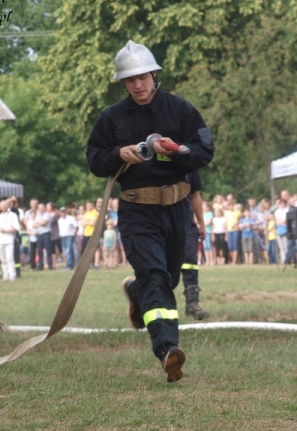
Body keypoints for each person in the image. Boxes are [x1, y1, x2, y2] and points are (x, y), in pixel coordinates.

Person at [86, 40, 214, 382]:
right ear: (123, 83)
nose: (138, 85)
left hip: (177, 209)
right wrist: (118, 154)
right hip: (137, 211)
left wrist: (171, 150)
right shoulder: (111, 117)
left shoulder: (180, 110)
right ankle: (167, 350)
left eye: (143, 77)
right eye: (130, 80)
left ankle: (135, 292)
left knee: (167, 279)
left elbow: (204, 151)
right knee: (156, 277)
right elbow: (95, 159)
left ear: (154, 74)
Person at [180, 171, 209, 320]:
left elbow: (195, 195)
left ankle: (192, 304)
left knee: (190, 262)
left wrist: (201, 222)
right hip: (162, 224)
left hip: (187, 225)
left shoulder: (189, 164)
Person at [0, 199, 20, 282]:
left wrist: (6, 231)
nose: (4, 207)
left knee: (10, 258)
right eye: (2, 205)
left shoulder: (13, 215)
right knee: (3, 259)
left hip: (9, 240)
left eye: (5, 205)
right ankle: (5, 275)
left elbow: (16, 228)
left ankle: (12, 275)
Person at [58, 206, 78, 270]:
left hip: (69, 236)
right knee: (64, 251)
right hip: (62, 236)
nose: (63, 213)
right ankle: (66, 264)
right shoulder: (59, 220)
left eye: (64, 211)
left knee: (69, 251)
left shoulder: (71, 218)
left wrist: (74, 234)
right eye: (61, 212)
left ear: (66, 212)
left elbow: (76, 226)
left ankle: (69, 265)